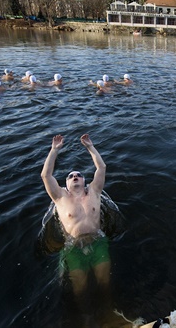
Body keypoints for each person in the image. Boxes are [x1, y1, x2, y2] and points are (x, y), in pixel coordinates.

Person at [41, 134, 109, 315]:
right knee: (80, 289)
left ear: (85, 181)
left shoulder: (94, 192)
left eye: (79, 175)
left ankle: (107, 311)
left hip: (98, 242)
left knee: (104, 283)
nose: (76, 176)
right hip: (73, 248)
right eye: (71, 176)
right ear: (66, 184)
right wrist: (54, 150)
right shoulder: (60, 198)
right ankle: (85, 317)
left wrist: (90, 147)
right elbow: (46, 175)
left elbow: (101, 167)